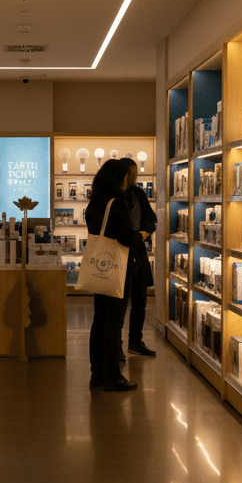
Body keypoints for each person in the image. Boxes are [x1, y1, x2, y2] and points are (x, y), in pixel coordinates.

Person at [85, 159, 139, 391]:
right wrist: (139, 236)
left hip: (99, 267)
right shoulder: (117, 203)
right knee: (113, 324)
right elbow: (127, 237)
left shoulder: (94, 203)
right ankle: (113, 375)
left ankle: (97, 374)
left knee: (99, 321)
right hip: (118, 268)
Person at [120, 157, 157, 357]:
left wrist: (141, 235)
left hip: (138, 254)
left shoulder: (138, 193)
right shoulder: (114, 196)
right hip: (120, 254)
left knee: (140, 302)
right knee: (119, 302)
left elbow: (151, 220)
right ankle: (116, 344)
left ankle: (135, 341)